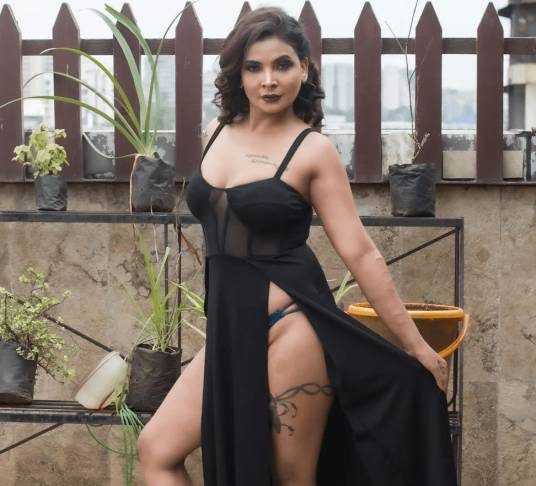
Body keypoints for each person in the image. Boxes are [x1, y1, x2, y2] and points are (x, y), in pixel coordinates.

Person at [137, 6, 457, 486]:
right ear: (239, 74)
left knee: (291, 477)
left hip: (290, 325)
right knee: (157, 449)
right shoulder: (214, 133)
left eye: (282, 65)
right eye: (254, 67)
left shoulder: (313, 150)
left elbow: (359, 251)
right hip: (229, 330)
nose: (269, 80)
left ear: (304, 69)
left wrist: (417, 347)